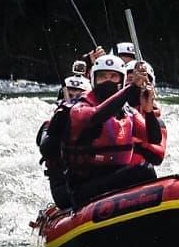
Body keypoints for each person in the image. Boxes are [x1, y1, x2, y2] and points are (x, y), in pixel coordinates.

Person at [39, 53, 159, 210]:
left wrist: (149, 111)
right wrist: (130, 88)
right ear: (93, 80)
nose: (108, 81)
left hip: (112, 179)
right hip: (82, 188)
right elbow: (98, 115)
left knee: (146, 170)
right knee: (145, 172)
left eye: (113, 77)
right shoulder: (80, 108)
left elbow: (154, 138)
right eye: (102, 77)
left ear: (121, 80)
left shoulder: (128, 112)